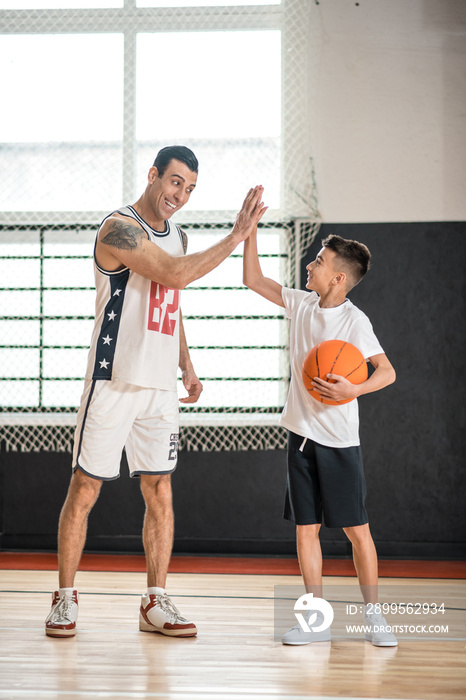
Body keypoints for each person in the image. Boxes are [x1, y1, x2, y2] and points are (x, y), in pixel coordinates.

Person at [45, 146, 266, 639]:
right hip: (114, 380)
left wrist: (185, 361)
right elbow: (173, 273)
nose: (180, 196)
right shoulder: (118, 228)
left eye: (189, 189)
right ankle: (64, 597)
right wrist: (237, 236)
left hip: (160, 386)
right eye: (174, 183)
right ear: (153, 176)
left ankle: (154, 600)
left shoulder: (180, 235)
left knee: (160, 488)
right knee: (85, 489)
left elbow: (172, 299)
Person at [243, 224, 398, 647]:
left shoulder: (355, 321)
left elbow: (387, 371)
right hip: (301, 437)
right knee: (305, 529)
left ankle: (374, 618)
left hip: (339, 442)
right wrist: (249, 231)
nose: (309, 265)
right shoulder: (302, 304)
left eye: (318, 261)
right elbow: (253, 279)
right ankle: (316, 621)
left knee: (357, 532)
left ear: (338, 278)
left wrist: (355, 388)